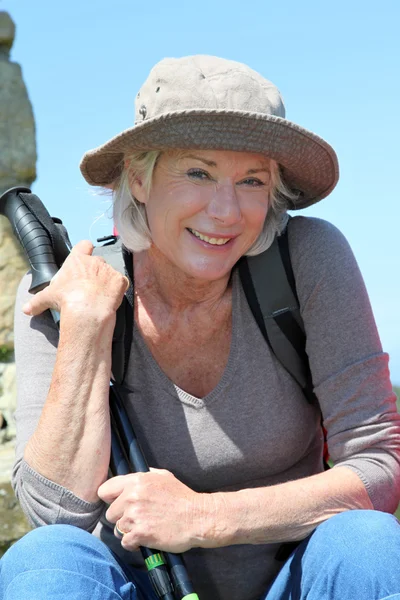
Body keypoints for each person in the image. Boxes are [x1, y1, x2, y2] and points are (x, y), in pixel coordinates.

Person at [1, 55, 400, 600]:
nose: (226, 210)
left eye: (252, 181)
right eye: (198, 172)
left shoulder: (309, 259)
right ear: (138, 178)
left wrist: (205, 516)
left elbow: (378, 466)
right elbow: (56, 513)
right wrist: (86, 332)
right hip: (135, 586)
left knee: (368, 544)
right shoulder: (66, 294)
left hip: (294, 584)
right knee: (42, 563)